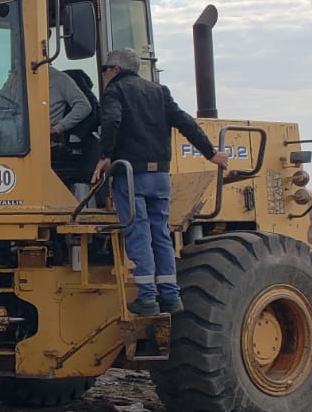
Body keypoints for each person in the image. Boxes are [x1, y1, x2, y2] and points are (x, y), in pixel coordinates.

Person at [93, 47, 230, 315]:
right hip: (160, 178)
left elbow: (111, 120)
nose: (105, 74)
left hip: (132, 177)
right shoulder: (159, 92)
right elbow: (185, 123)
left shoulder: (116, 91)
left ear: (116, 70)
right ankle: (170, 296)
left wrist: (105, 156)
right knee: (162, 235)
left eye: (105, 69)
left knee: (138, 233)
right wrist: (211, 153)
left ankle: (146, 297)